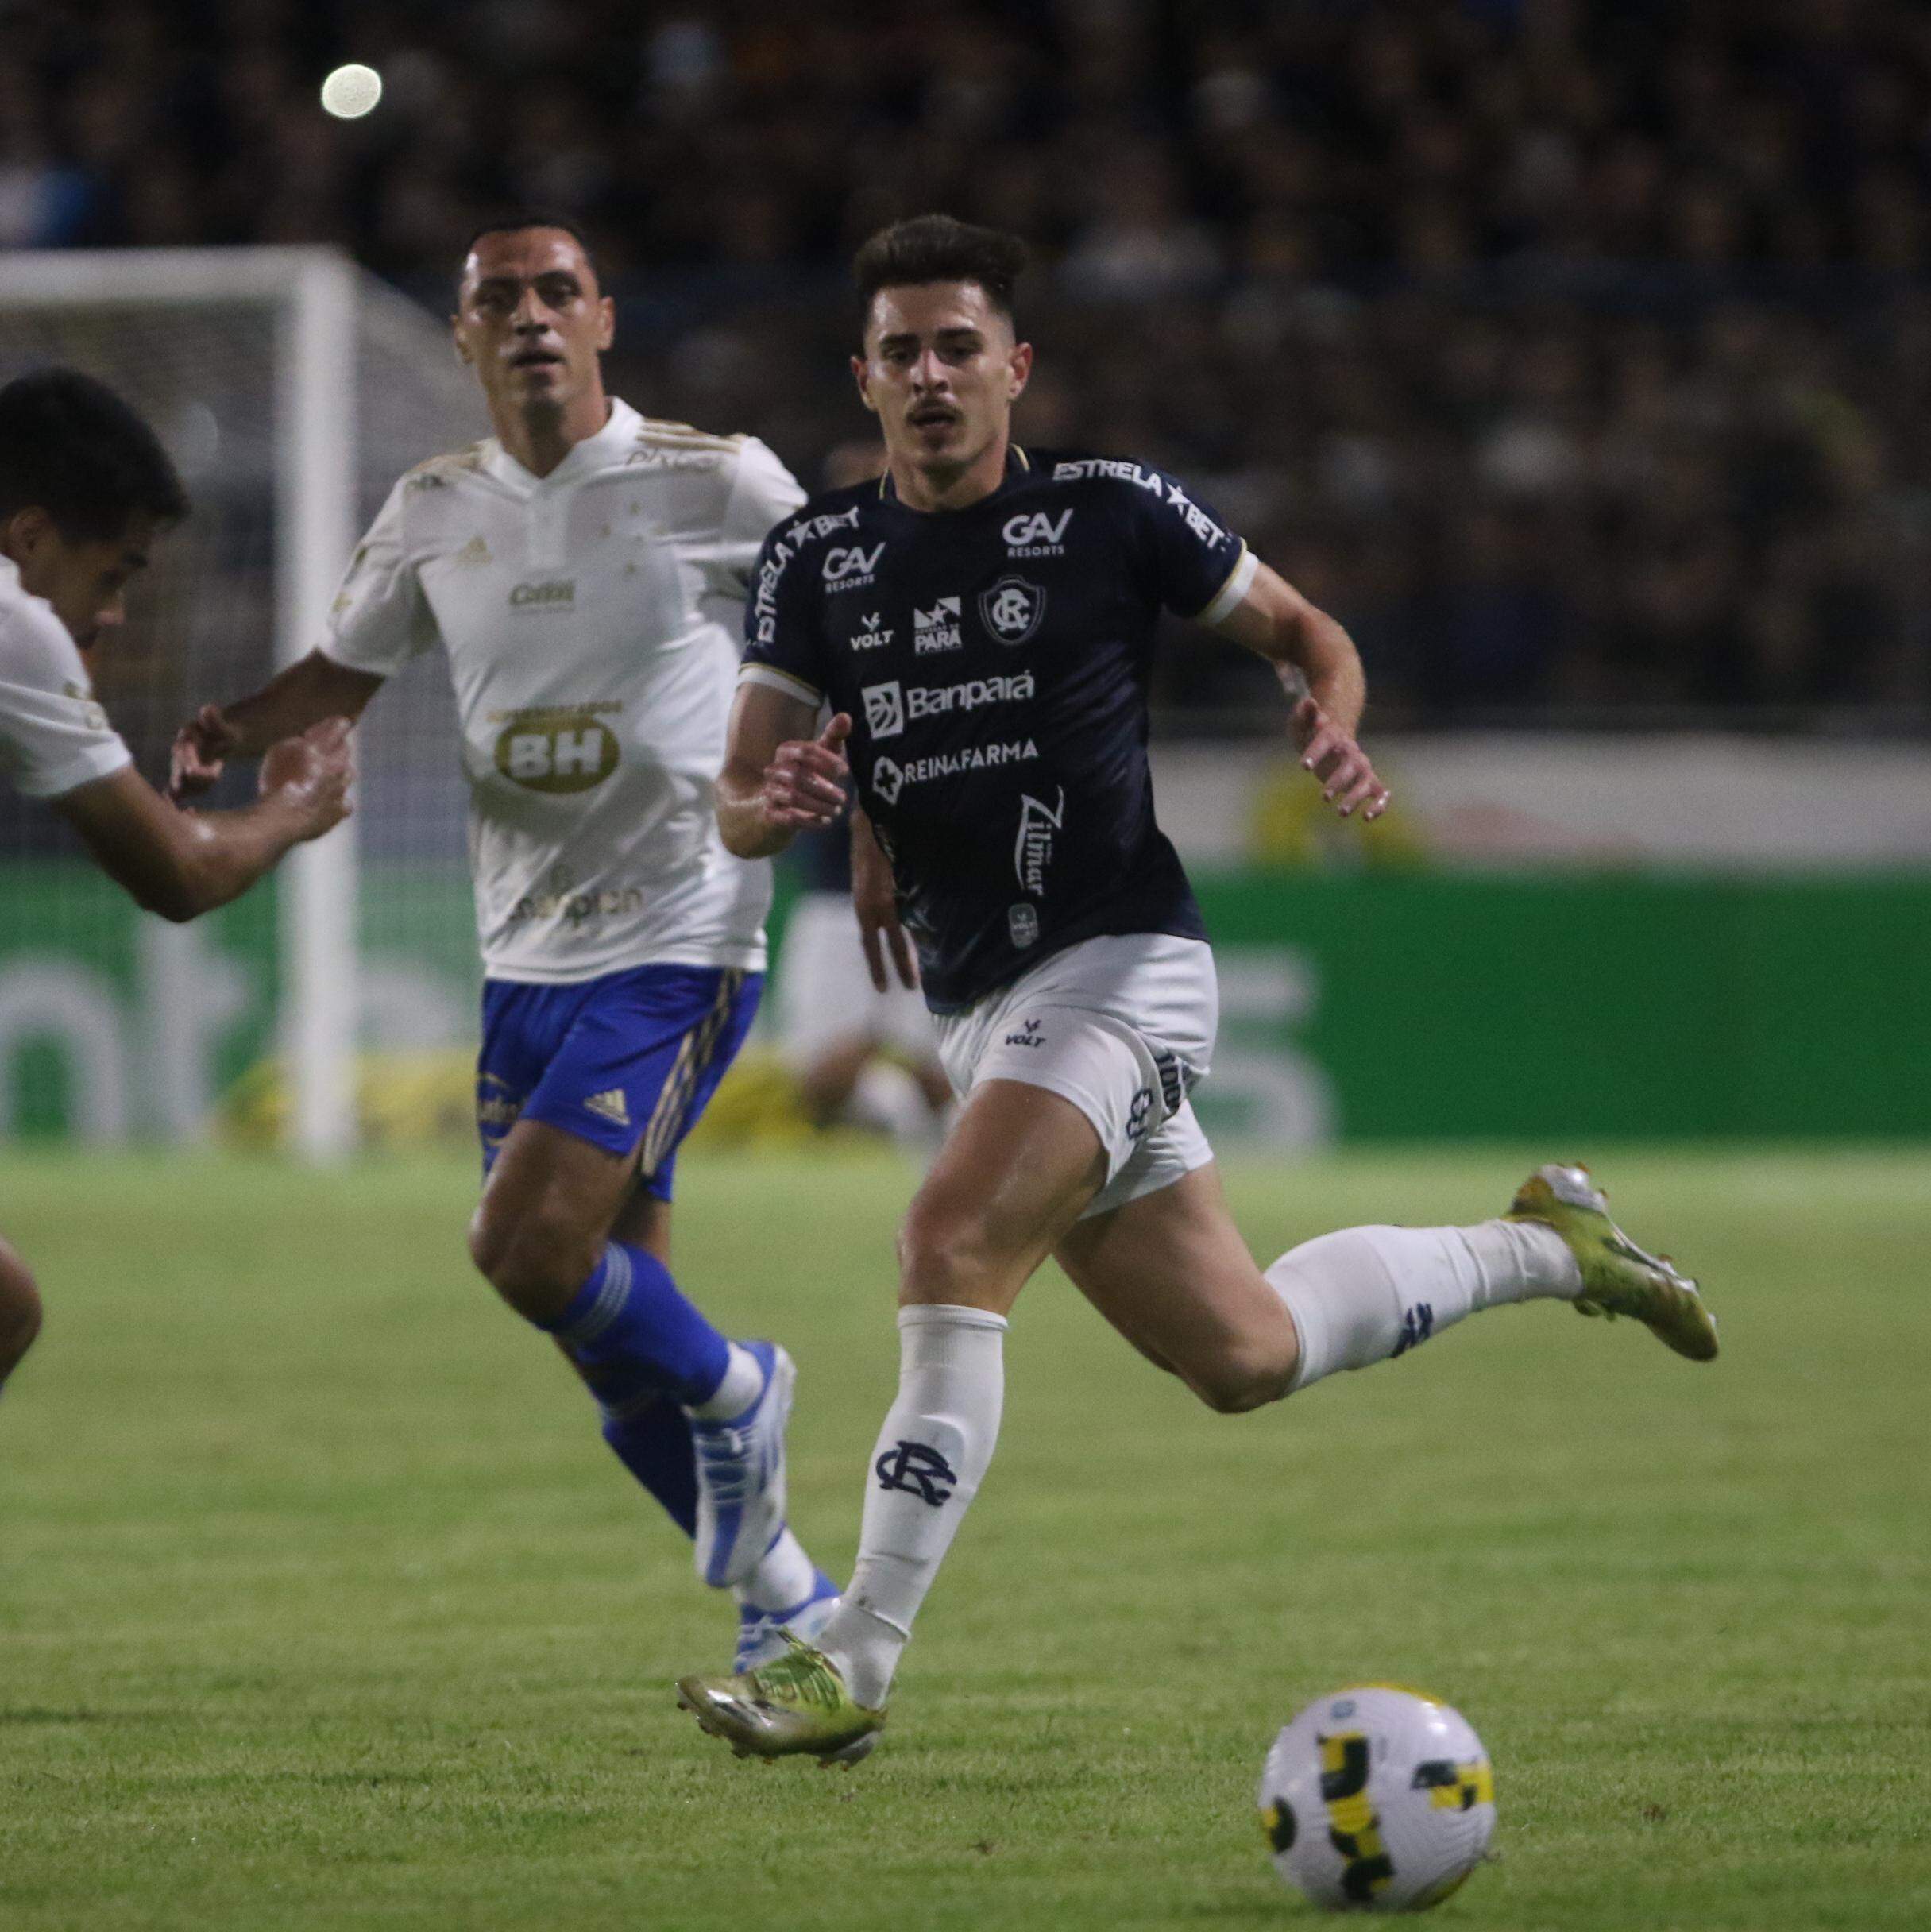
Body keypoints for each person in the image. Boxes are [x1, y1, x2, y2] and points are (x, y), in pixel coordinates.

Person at [674, 214, 1717, 1764]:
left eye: (960, 346)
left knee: (951, 1237)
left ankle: (853, 1659)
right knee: (1244, 1353)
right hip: (986, 1005)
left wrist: (1334, 722)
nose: (932, 374)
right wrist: (807, 801)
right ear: (866, 378)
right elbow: (739, 796)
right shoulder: (817, 560)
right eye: (902, 351)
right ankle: (1546, 1245)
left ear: (1014, 367)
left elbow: (1311, 633)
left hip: (1125, 966)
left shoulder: (1109, 513)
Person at [168, 216, 837, 1669]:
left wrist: (870, 817)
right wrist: (239, 728)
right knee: (598, 1322)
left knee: (525, 1250)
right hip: (520, 951)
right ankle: (790, 1602)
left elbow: (844, 638)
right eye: (498, 300)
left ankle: (741, 1388)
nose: (529, 315)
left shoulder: (714, 481)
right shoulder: (431, 507)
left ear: (604, 316)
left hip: (679, 928)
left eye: (555, 292)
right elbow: (349, 667)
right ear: (464, 339)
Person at [0, 367, 352, 1397]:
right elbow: (180, 876)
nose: (113, 612)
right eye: (114, 574)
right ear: (27, 538)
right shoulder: (12, 621)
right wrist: (297, 804)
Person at [777, 809, 951, 1145]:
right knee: (820, 1081)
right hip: (831, 905)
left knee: (945, 1079)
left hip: (925, 906)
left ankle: (955, 1179)